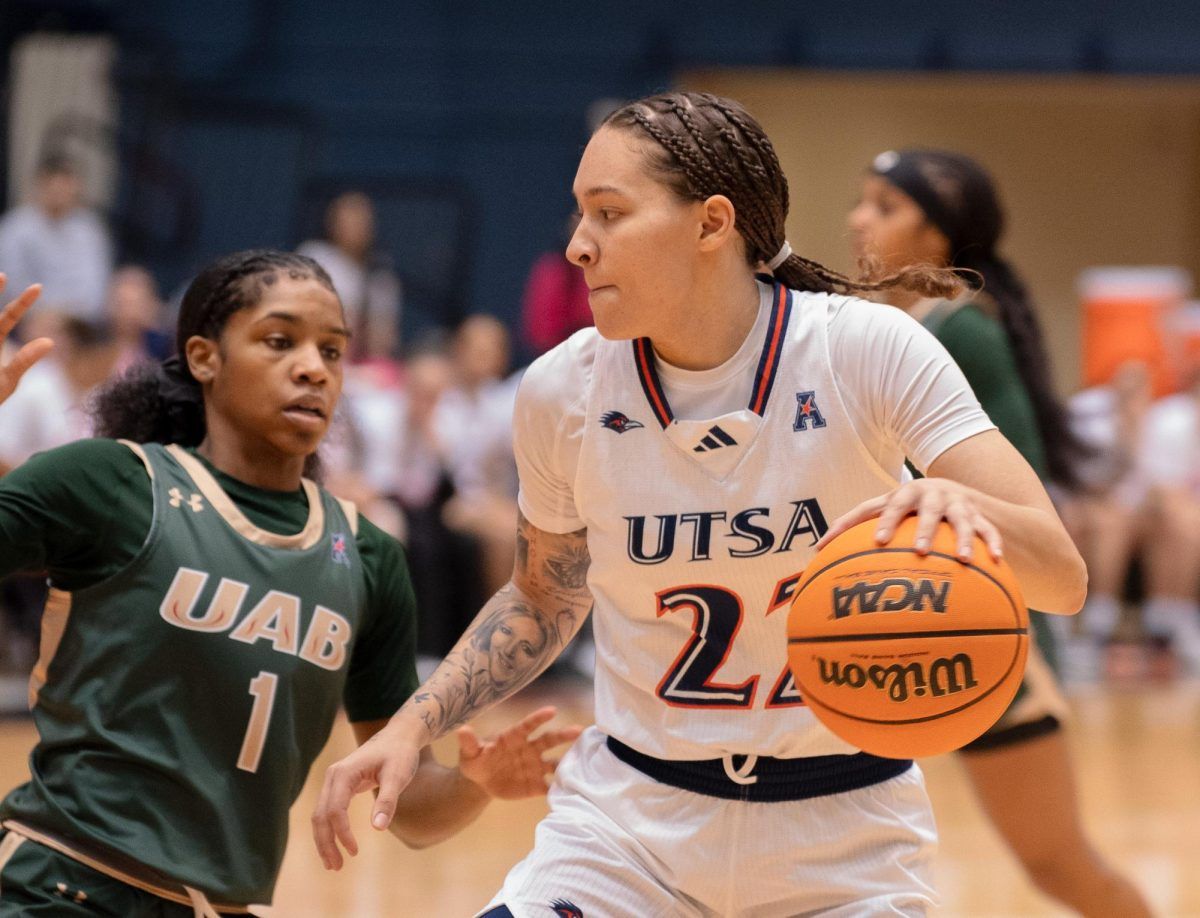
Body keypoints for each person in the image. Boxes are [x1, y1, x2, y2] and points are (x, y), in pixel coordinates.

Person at [312, 92, 1086, 917]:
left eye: (609, 213)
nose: (578, 246)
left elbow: (1062, 579)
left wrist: (955, 507)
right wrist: (409, 725)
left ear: (712, 223)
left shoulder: (866, 350)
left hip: (846, 837)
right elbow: (543, 595)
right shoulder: (562, 391)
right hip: (627, 830)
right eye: (579, 214)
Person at [0, 253, 579, 917]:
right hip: (63, 888)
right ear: (204, 358)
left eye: (332, 350)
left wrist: (476, 781)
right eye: (280, 342)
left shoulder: (367, 555)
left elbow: (410, 804)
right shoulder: (113, 482)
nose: (313, 367)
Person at [849, 147, 1151, 917]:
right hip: (896, 617)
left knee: (1059, 867)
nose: (859, 218)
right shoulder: (901, 325)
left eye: (885, 206)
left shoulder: (958, 331)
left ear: (942, 233)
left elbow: (1022, 501)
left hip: (989, 628)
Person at [0, 153, 112, 322]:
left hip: (78, 327)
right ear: (41, 184)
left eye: (66, 184)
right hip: (27, 322)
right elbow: (11, 287)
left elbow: (96, 290)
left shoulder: (89, 231)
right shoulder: (15, 227)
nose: (60, 190)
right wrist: (49, 315)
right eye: (54, 183)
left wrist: (68, 317)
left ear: (76, 186)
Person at [298, 191, 402, 362]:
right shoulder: (315, 256)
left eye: (361, 219)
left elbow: (385, 337)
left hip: (365, 364)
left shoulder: (381, 274)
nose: (354, 225)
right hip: (316, 352)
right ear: (332, 222)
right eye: (346, 218)